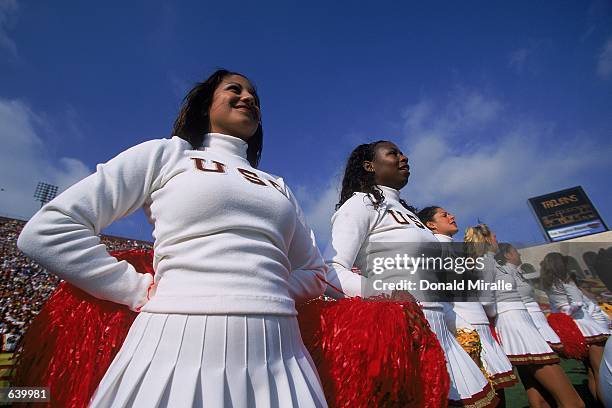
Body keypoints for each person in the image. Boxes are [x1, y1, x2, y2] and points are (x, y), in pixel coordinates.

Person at [17, 69, 328, 408]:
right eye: (234, 89)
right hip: (172, 345)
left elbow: (314, 271)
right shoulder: (167, 155)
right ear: (205, 104)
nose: (249, 98)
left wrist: (270, 292)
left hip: (283, 357)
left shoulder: (278, 185)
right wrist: (134, 289)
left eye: (254, 96)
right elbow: (48, 229)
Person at [324, 141, 497, 408]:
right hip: (406, 336)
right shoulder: (359, 204)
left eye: (403, 152)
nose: (404, 157)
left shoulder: (409, 213)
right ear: (370, 166)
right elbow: (331, 271)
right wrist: (390, 297)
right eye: (393, 153)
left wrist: (461, 326)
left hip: (443, 334)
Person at [464, 226, 584, 408]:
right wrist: (501, 312)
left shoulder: (492, 262)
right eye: (494, 237)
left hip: (517, 321)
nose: (497, 239)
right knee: (573, 402)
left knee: (540, 396)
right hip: (515, 322)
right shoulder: (486, 261)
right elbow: (486, 299)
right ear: (486, 240)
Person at [418, 207, 517, 403]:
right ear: (431, 225)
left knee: (496, 397)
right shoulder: (432, 249)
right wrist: (465, 328)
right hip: (464, 333)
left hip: (480, 329)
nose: (452, 216)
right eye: (444, 215)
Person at [541, 252, 610, 404]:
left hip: (571, 330)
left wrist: (562, 318)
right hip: (584, 325)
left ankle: (598, 402)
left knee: (591, 371)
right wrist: (567, 314)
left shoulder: (547, 284)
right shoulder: (566, 281)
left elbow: (554, 307)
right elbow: (577, 303)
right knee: (600, 371)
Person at [495, 244, 563, 351]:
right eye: (516, 252)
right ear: (508, 255)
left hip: (534, 317)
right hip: (527, 317)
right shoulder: (505, 272)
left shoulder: (516, 271)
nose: (519, 254)